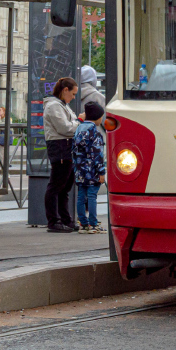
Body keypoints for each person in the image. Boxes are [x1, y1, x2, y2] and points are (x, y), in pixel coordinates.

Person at [44, 77, 79, 233]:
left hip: (66, 146)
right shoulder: (53, 106)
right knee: (56, 185)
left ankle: (65, 219)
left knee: (65, 185)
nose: (73, 97)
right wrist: (80, 121)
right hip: (59, 146)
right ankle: (53, 221)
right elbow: (65, 128)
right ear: (65, 90)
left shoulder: (63, 105)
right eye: (72, 93)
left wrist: (76, 122)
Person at [72, 103, 107, 233]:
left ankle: (83, 223)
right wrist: (101, 172)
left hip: (80, 170)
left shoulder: (79, 129)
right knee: (92, 196)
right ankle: (93, 224)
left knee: (81, 196)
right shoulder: (95, 132)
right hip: (92, 171)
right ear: (97, 117)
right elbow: (98, 154)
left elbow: (74, 151)